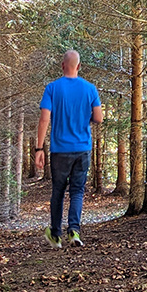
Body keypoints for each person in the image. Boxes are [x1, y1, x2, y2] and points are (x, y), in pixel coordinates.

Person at [35, 50, 103, 248]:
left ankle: (55, 234)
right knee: (77, 191)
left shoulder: (52, 88)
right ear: (79, 66)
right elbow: (98, 118)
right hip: (82, 148)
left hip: (59, 150)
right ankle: (74, 230)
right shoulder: (90, 89)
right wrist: (84, 118)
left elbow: (44, 119)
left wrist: (39, 148)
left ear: (62, 65)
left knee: (58, 190)